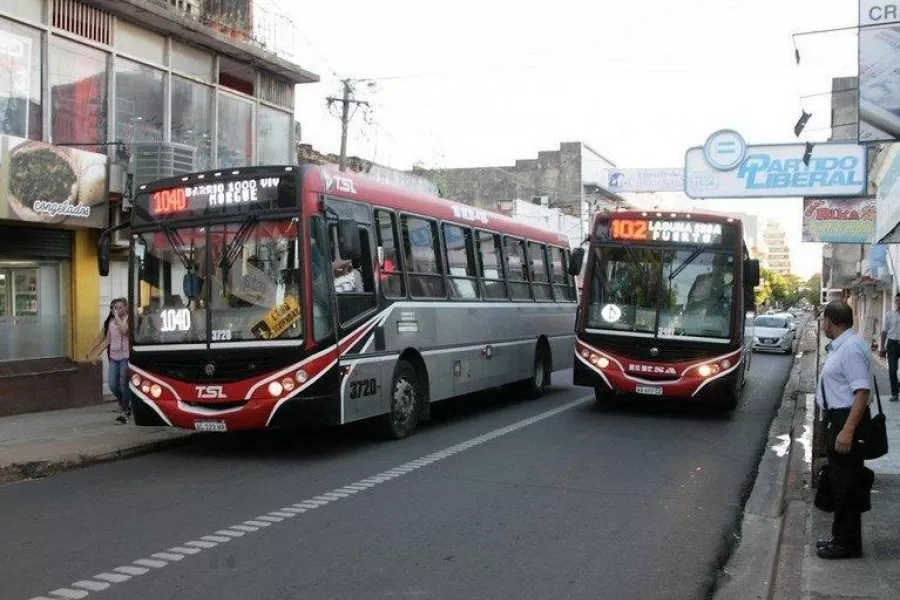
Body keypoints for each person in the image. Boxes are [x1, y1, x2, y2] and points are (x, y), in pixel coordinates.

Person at [815, 301, 873, 559]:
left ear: (832, 321)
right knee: (840, 483)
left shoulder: (849, 349)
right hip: (837, 419)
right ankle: (841, 538)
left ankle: (847, 544)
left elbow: (861, 392)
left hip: (845, 420)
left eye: (823, 320)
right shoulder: (844, 345)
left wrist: (847, 430)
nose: (822, 324)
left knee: (846, 487)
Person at [87, 298, 132, 424]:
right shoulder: (111, 322)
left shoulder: (129, 319)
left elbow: (125, 331)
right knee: (112, 384)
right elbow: (107, 340)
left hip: (125, 356)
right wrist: (96, 354)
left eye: (120, 307)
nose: (117, 310)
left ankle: (125, 410)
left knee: (124, 385)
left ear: (126, 308)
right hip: (114, 357)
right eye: (115, 308)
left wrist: (117, 317)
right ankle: (124, 403)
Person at [878, 292, 900, 402]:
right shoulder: (889, 315)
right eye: (897, 301)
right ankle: (894, 393)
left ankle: (898, 385)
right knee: (892, 370)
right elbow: (884, 331)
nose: (898, 303)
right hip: (892, 344)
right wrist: (882, 347)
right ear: (895, 302)